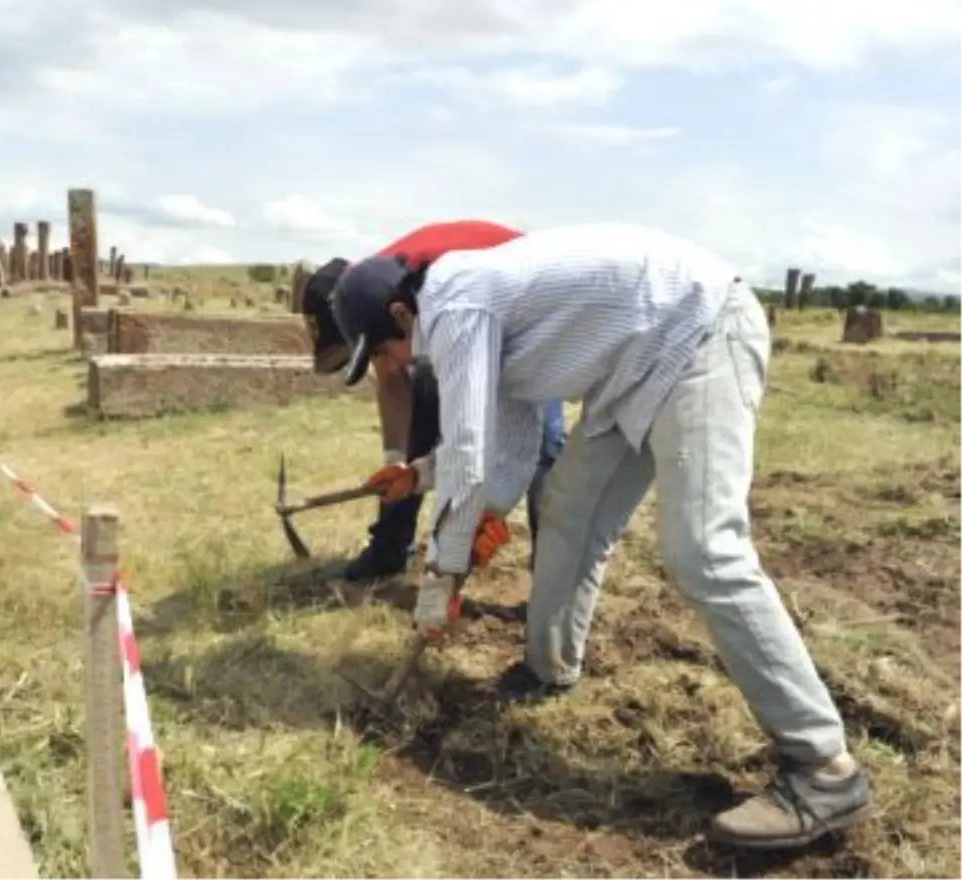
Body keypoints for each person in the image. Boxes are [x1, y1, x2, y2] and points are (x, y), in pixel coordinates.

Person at [327, 222, 872, 850]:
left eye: (385, 351)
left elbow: (474, 460)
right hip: (631, 375)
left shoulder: (456, 302)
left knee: (703, 547)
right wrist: (419, 474)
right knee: (566, 509)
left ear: (402, 313)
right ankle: (549, 666)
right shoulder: (467, 317)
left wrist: (442, 577)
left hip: (697, 333)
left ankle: (823, 767)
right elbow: (508, 453)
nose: (392, 367)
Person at [299, 221, 566, 581]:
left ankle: (552, 577)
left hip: (529, 319)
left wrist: (454, 547)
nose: (381, 360)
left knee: (543, 448)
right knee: (422, 413)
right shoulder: (375, 295)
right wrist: (396, 462)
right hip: (457, 319)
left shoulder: (399, 286)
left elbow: (467, 444)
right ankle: (390, 549)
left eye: (367, 348)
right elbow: (392, 377)